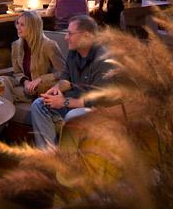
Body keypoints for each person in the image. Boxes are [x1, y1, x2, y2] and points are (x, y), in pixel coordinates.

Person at [30, 15, 117, 148]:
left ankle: (66, 162)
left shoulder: (103, 60)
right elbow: (66, 78)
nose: (66, 38)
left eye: (70, 34)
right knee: (39, 104)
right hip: (75, 101)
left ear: (86, 35)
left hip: (98, 110)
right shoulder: (74, 52)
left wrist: (62, 102)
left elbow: (95, 101)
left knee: (73, 115)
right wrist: (56, 89)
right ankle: (48, 157)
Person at [0, 10, 66, 103]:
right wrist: (25, 82)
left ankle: (7, 108)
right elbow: (17, 72)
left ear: (33, 28)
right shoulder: (16, 45)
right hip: (24, 84)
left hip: (41, 87)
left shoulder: (49, 45)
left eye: (22, 25)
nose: (18, 28)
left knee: (5, 94)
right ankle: (5, 113)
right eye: (17, 23)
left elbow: (63, 71)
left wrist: (40, 79)